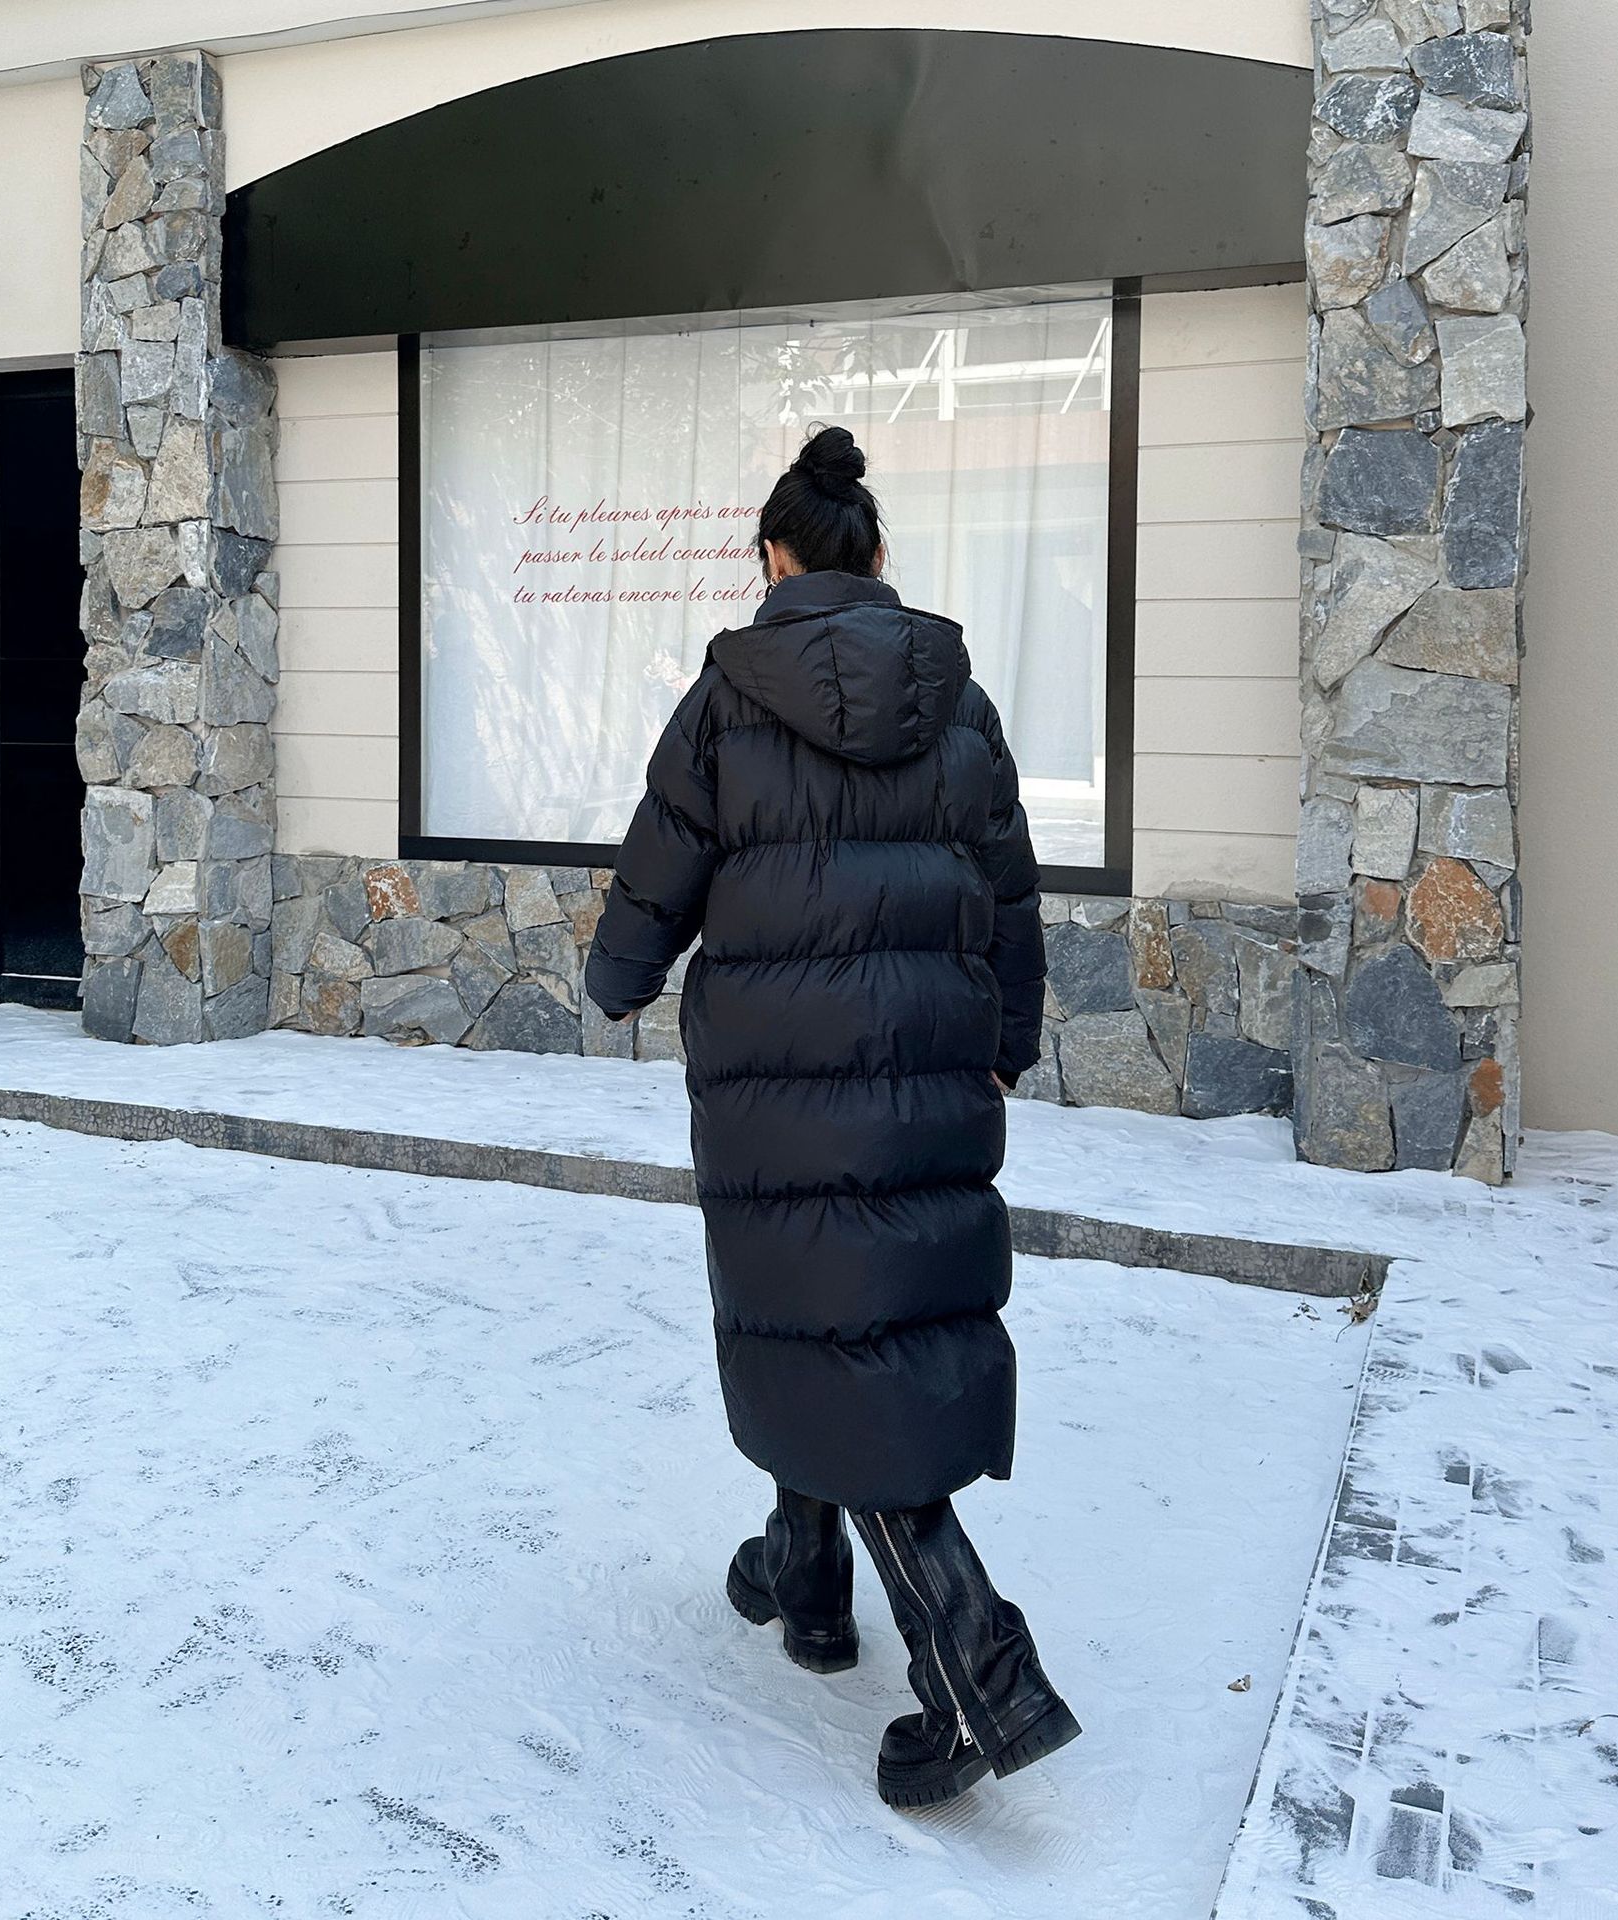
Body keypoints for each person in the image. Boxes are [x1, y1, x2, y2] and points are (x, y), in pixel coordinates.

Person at [584, 424, 1080, 1811]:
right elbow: (1009, 887)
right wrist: (1007, 1040)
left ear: (773, 558)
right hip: (926, 1067)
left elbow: (660, 863)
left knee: (830, 1324)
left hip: (775, 1081)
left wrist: (619, 979)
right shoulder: (958, 704)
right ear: (876, 556)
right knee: (845, 1318)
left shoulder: (727, 701)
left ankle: (981, 1680)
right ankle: (804, 1575)